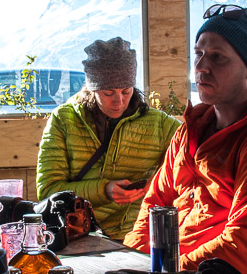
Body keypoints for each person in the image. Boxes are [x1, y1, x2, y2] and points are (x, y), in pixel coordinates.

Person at [125, 5, 247, 274]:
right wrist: (130, 260)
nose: (201, 67)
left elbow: (246, 246)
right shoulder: (192, 128)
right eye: (198, 54)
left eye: (218, 57)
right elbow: (155, 205)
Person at [36, 37, 179, 239]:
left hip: (137, 236)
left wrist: (157, 184)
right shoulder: (64, 120)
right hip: (77, 235)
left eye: (126, 91)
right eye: (108, 93)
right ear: (93, 87)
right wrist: (104, 190)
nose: (119, 102)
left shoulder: (160, 124)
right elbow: (48, 192)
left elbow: (194, 158)